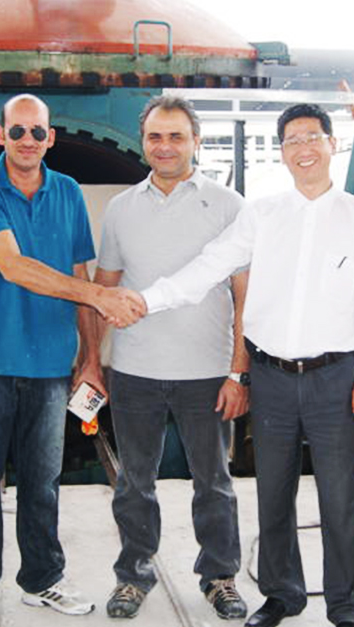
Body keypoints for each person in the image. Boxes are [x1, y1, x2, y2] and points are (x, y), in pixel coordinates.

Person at [134, 103, 354, 627]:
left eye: (312, 137)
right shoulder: (262, 215)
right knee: (272, 492)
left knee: (340, 497)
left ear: (332, 144)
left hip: (335, 377)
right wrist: (145, 300)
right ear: (281, 152)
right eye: (292, 141)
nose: (303, 149)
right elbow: (208, 267)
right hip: (272, 377)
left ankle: (346, 604)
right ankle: (281, 594)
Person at [0, 94, 139, 627]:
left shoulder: (67, 191)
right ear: (0, 135)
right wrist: (101, 296)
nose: (27, 140)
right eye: (17, 131)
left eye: (36, 132)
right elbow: (12, 266)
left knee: (42, 480)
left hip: (52, 364)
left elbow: (78, 273)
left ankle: (43, 579)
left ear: (50, 138)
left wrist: (91, 359)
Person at [79, 95, 250, 620]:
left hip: (206, 374)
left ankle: (219, 576)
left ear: (196, 141)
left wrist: (238, 370)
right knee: (134, 483)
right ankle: (133, 576)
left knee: (214, 483)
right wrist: (91, 362)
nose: (165, 146)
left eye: (176, 136)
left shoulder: (229, 205)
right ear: (143, 142)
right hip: (135, 373)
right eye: (155, 136)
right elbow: (103, 290)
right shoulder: (122, 209)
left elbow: (245, 295)